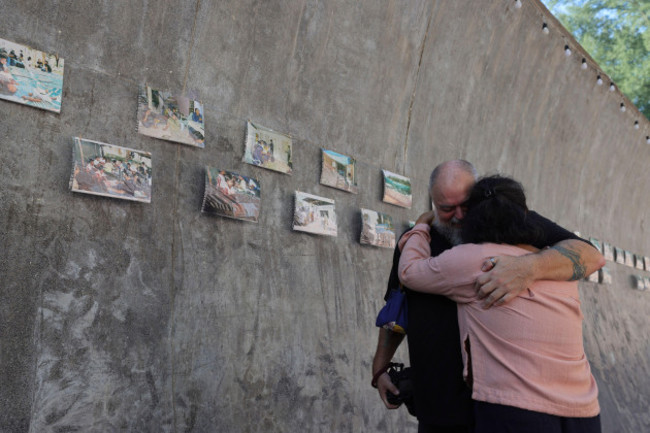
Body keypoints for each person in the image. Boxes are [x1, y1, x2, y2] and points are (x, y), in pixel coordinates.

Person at [371, 160, 604, 433]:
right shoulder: (416, 242)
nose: (458, 216)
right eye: (446, 209)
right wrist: (381, 368)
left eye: (466, 205)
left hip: (504, 406)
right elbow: (397, 306)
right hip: (440, 402)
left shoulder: (514, 220)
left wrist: (529, 268)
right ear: (432, 203)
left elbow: (590, 256)